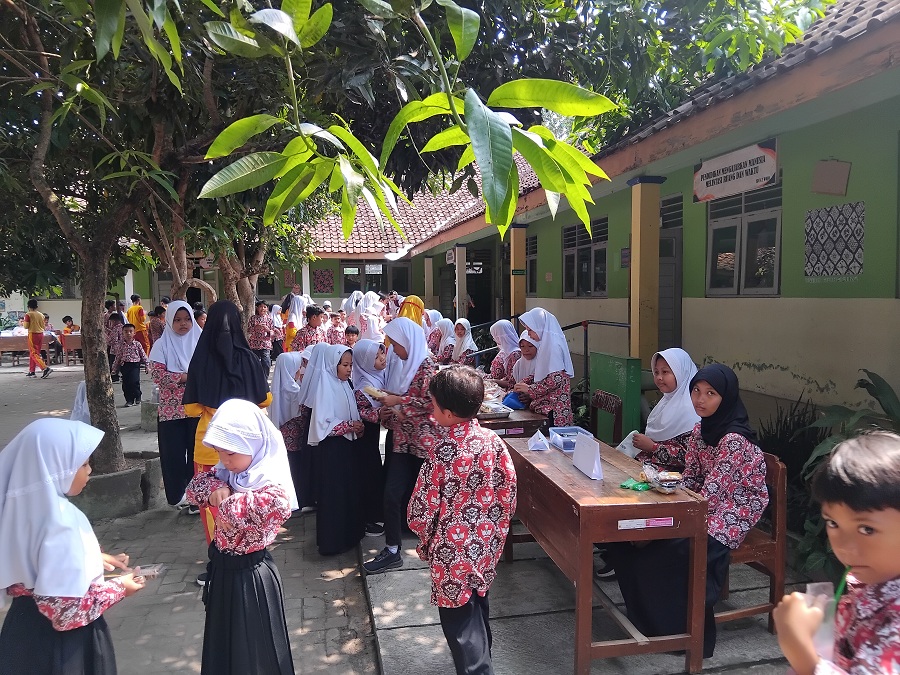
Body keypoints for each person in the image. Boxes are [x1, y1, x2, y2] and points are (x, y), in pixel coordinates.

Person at [607, 363, 768, 659]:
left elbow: (713, 496)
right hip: (705, 503)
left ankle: (685, 634)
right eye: (696, 391)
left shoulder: (732, 441)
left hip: (734, 510)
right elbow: (693, 478)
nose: (700, 399)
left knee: (675, 548)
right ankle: (653, 624)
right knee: (636, 536)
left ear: (727, 398)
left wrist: (673, 521)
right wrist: (663, 491)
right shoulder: (700, 430)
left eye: (710, 393)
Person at [0, 419, 145, 673]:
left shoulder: (14, 510)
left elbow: (32, 561)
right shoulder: (61, 519)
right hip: (65, 648)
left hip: (21, 634)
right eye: (83, 464)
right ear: (53, 467)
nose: (89, 471)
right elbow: (65, 611)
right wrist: (121, 587)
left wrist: (92, 556)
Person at [408, 366, 517, 675]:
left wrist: (423, 534)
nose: (431, 408)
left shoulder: (442, 450)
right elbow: (508, 490)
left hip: (451, 551)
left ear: (449, 412)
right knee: (478, 603)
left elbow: (423, 505)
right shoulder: (493, 441)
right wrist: (497, 528)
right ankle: (484, 659)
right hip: (486, 544)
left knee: (459, 620)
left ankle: (479, 669)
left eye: (432, 403)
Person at [773, 431, 900, 675]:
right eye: (833, 523)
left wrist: (801, 651)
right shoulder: (864, 585)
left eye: (867, 528)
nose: (843, 546)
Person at [186, 400, 296, 675]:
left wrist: (221, 498)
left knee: (253, 652)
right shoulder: (228, 473)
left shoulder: (271, 485)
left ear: (254, 445)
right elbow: (194, 487)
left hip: (251, 578)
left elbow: (247, 512)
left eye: (231, 452)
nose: (224, 460)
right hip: (223, 571)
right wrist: (216, 486)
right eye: (220, 452)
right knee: (225, 646)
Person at [182, 300, 272, 563]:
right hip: (247, 449)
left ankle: (218, 562)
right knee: (249, 503)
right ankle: (251, 555)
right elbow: (265, 400)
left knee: (213, 508)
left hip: (209, 447)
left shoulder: (200, 358)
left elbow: (189, 409)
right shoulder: (249, 358)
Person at [363, 317, 438, 574]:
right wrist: (390, 404)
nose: (394, 349)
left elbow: (430, 403)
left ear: (409, 341)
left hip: (424, 443)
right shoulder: (405, 364)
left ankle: (434, 542)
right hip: (402, 440)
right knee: (391, 493)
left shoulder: (427, 367)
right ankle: (393, 549)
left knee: (428, 495)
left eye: (396, 343)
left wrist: (398, 400)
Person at [305, 344, 366, 555]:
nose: (349, 369)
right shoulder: (325, 385)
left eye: (350, 365)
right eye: (345, 365)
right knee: (334, 495)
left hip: (347, 448)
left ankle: (350, 535)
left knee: (347, 492)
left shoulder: (345, 384)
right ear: (334, 364)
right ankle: (333, 543)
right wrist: (350, 426)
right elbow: (323, 423)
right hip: (332, 451)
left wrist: (356, 425)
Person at [149, 300, 202, 508]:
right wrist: (185, 377)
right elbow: (157, 375)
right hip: (171, 412)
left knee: (197, 453)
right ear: (169, 321)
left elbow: (208, 370)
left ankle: (196, 496)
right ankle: (177, 495)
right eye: (177, 320)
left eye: (187, 319)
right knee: (173, 456)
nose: (183, 324)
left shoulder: (200, 341)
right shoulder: (161, 345)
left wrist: (186, 377)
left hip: (197, 409)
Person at [631, 348, 700, 471]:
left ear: (681, 373)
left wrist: (653, 447)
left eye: (665, 372)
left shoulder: (692, 410)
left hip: (670, 481)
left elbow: (689, 458)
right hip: (649, 471)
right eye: (656, 372)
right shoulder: (667, 402)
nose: (659, 377)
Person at [350, 339, 389, 536]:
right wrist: (378, 414)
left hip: (374, 433)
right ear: (364, 362)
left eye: (382, 353)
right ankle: (370, 519)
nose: (382, 358)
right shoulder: (364, 385)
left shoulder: (378, 375)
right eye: (376, 356)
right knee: (370, 472)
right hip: (365, 434)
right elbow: (360, 411)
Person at [511, 307, 574, 426]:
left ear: (540, 327)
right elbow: (544, 373)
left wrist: (529, 389)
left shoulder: (553, 347)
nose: (529, 334)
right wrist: (524, 382)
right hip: (548, 407)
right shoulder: (546, 345)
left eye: (530, 330)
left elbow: (555, 379)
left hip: (554, 411)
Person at [111, 323, 149, 407]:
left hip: (135, 365)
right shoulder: (121, 345)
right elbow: (118, 357)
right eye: (126, 331)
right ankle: (129, 400)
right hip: (124, 366)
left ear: (134, 333)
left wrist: (147, 365)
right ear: (122, 333)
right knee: (126, 383)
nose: (128, 333)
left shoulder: (137, 344)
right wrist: (114, 368)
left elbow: (143, 355)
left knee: (134, 381)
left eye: (130, 331)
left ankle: (138, 396)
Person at [485, 320, 521, 389]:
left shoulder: (515, 355)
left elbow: (512, 383)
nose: (493, 339)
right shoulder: (505, 351)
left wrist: (493, 381)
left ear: (499, 336)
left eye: (494, 336)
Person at [23, 298, 52, 379]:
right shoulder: (41, 315)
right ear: (37, 306)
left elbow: (26, 326)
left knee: (33, 353)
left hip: (32, 334)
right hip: (40, 334)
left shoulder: (28, 314)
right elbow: (43, 326)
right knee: (35, 353)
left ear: (28, 306)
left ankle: (45, 368)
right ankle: (32, 371)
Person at [248, 300, 275, 375]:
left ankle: (265, 379)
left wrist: (268, 330)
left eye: (264, 307)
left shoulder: (270, 319)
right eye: (260, 307)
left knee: (266, 363)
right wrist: (255, 328)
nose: (262, 308)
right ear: (257, 308)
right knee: (254, 363)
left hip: (265, 344)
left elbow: (273, 333)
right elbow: (249, 330)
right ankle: (256, 379)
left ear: (267, 309)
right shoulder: (253, 318)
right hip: (254, 344)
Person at [106, 311, 125, 380]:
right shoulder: (123, 328)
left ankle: (114, 376)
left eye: (110, 322)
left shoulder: (115, 329)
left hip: (115, 349)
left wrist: (107, 338)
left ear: (114, 321)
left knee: (113, 363)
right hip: (123, 349)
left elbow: (111, 340)